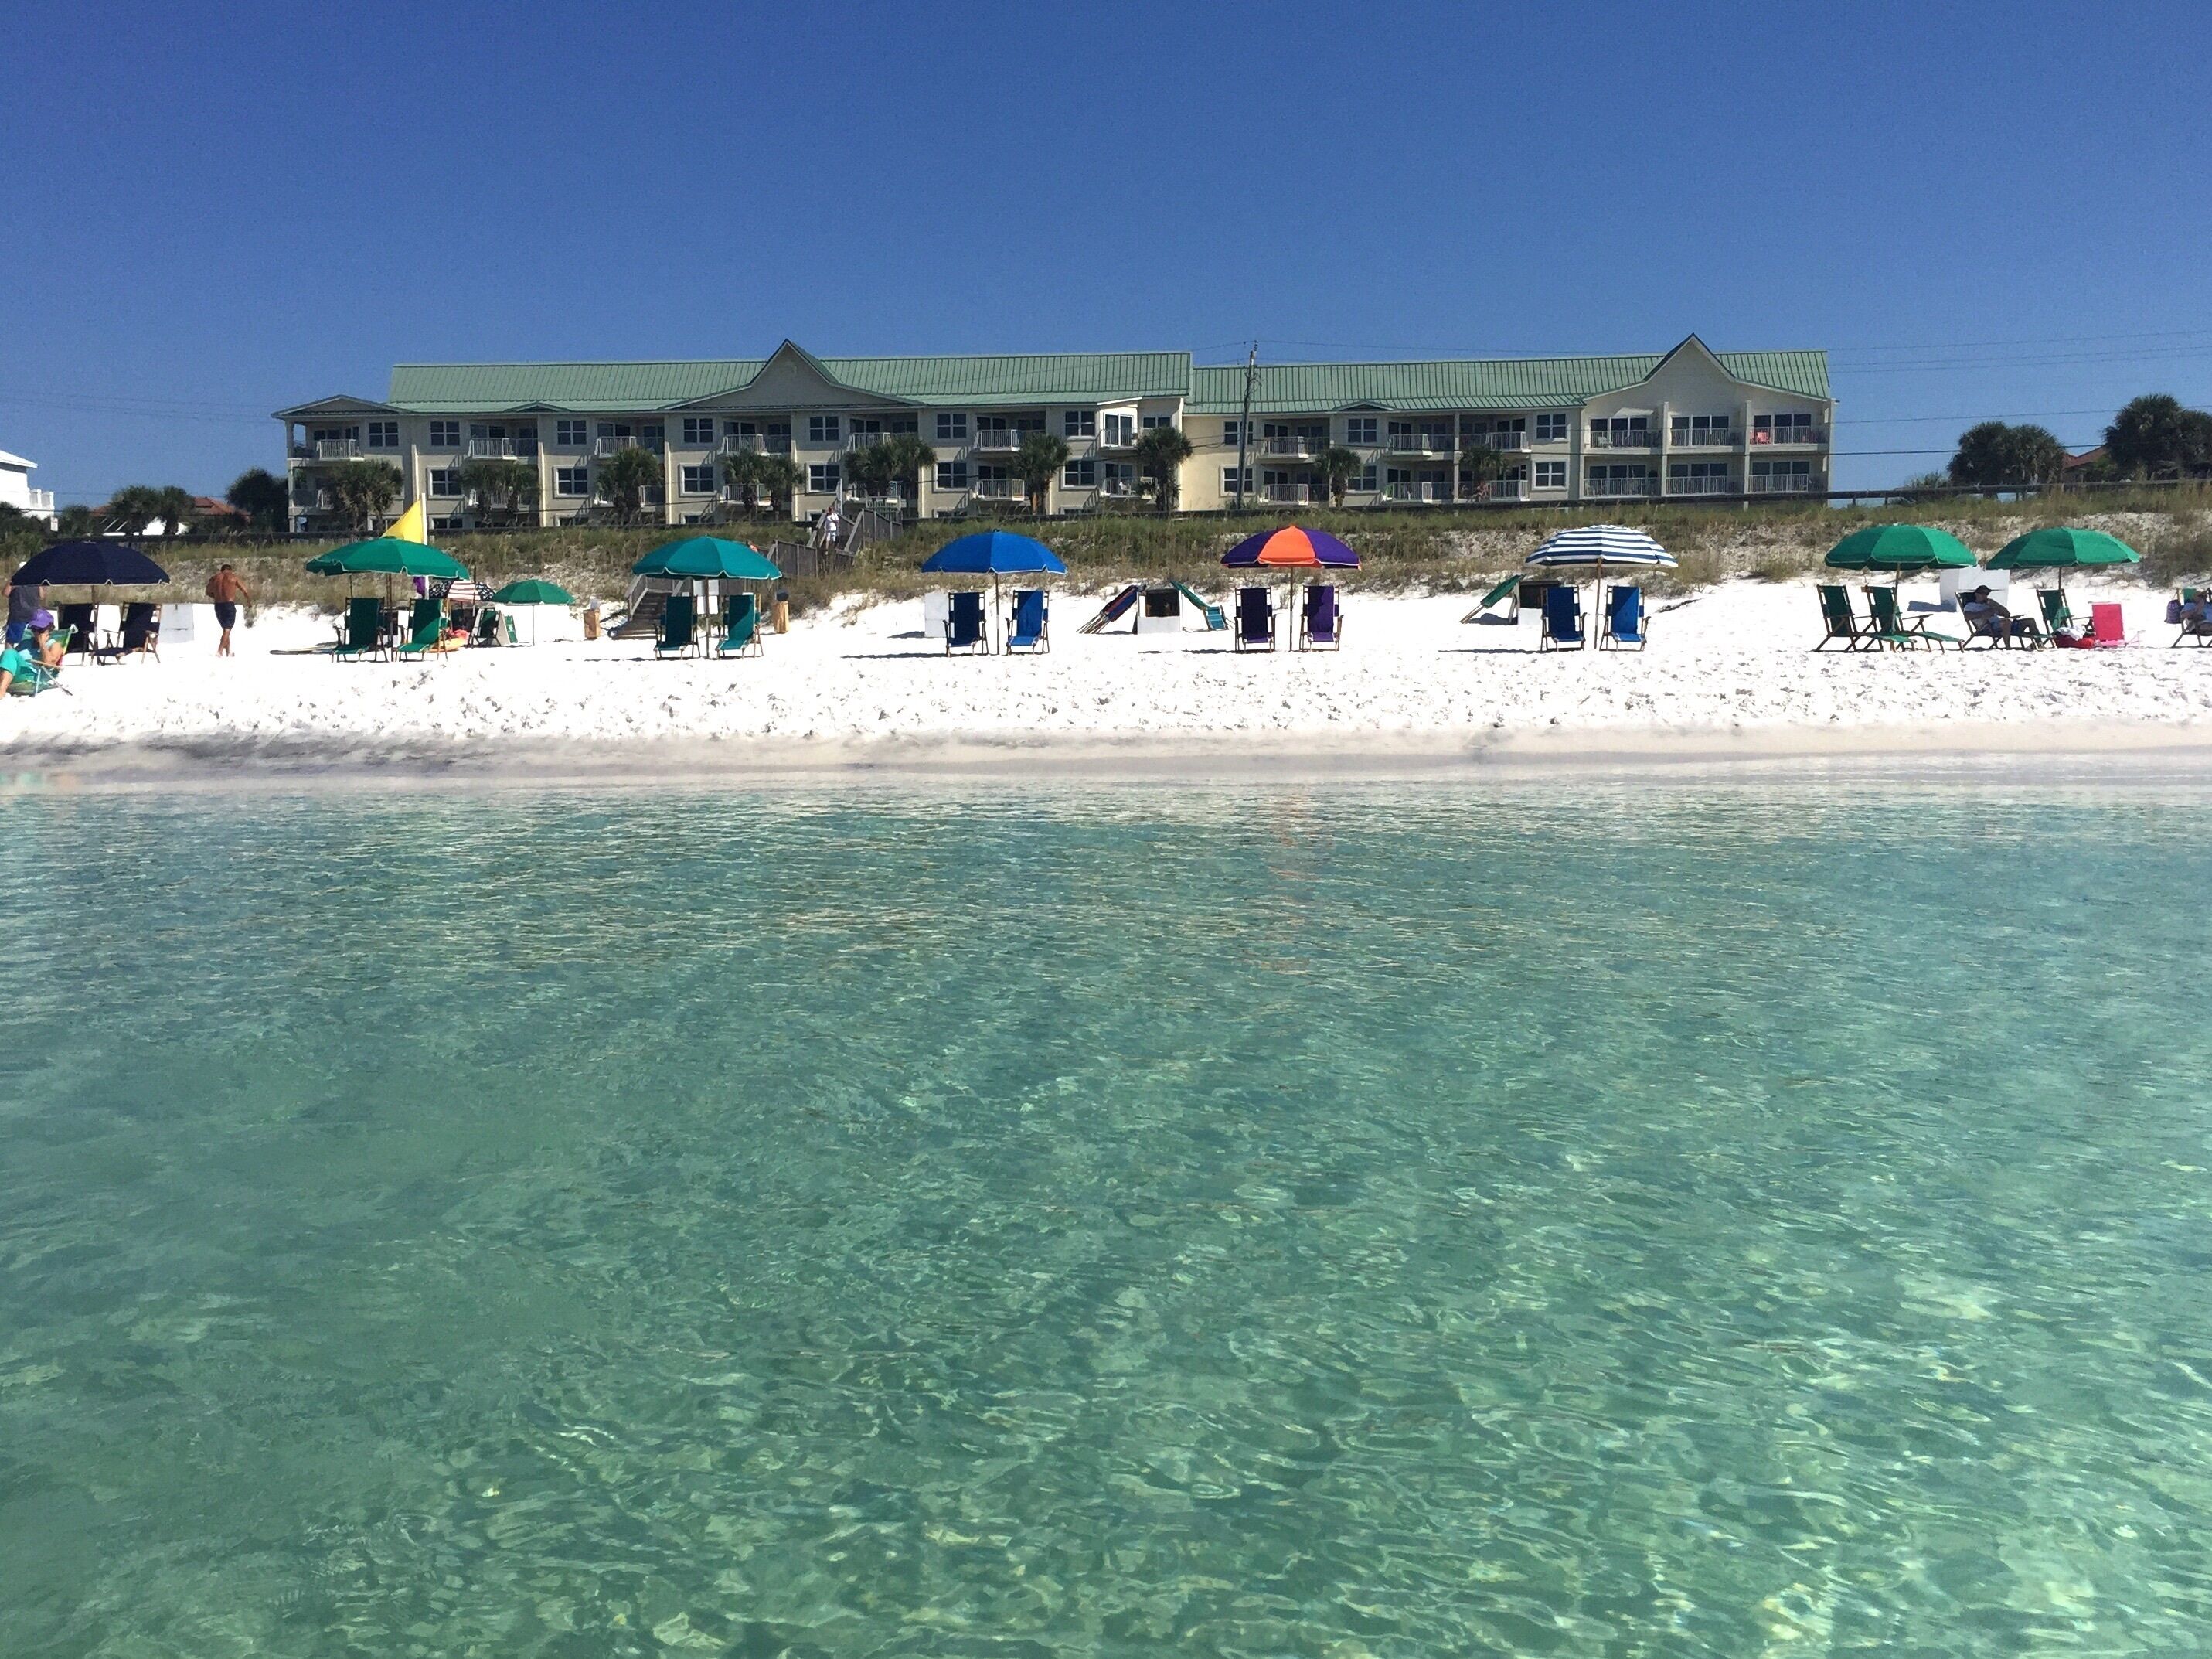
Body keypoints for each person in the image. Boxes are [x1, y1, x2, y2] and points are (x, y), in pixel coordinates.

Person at [1, 612, 62, 697]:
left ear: (50, 629)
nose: (37, 633)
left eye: (40, 630)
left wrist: (42, 643)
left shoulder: (55, 645)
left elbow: (48, 663)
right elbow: (9, 660)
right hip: (15, 674)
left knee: (9, 652)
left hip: (32, 677)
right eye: (34, 629)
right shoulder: (25, 643)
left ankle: (1, 691)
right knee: (8, 653)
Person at [1960, 584, 2033, 643]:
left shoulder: (1989, 604)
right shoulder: (1971, 606)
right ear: (1976, 594)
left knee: (2030, 621)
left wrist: (1995, 604)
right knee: (2007, 622)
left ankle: (2037, 643)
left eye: (1987, 594)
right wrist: (1984, 613)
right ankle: (2008, 647)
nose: (1985, 596)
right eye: (1982, 593)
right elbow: (1967, 617)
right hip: (1988, 627)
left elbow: (2007, 614)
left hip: (2000, 625)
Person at [205, 564, 249, 656]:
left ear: (222, 570)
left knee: (225, 629)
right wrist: (249, 602)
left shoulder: (215, 578)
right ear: (230, 570)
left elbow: (208, 592)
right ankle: (220, 651)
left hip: (218, 605)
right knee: (227, 629)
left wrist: (217, 597)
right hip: (229, 604)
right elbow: (245, 591)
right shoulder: (233, 577)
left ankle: (228, 652)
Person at [5, 574, 43, 647]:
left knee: (11, 640)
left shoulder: (15, 581)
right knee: (35, 639)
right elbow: (41, 596)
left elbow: (6, 593)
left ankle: (9, 654)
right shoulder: (36, 581)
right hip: (34, 615)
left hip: (18, 616)